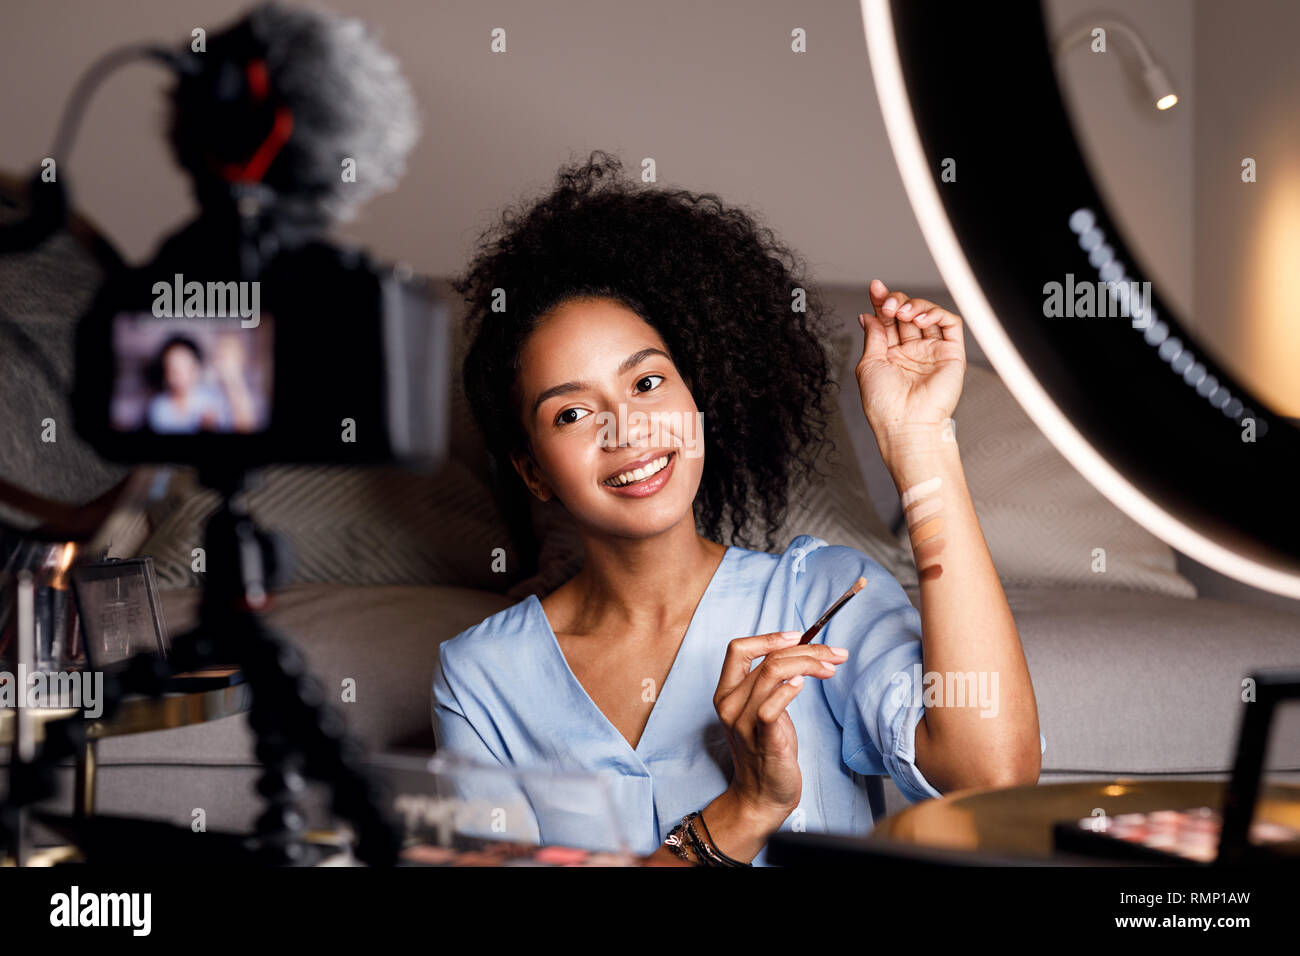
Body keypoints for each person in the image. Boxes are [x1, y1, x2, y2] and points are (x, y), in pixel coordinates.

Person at [431, 151, 1045, 866]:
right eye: (571, 414)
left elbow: (993, 774)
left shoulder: (825, 596)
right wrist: (745, 808)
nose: (626, 429)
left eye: (649, 382)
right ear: (532, 472)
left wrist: (921, 444)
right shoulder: (480, 676)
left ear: (697, 402)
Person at [145, 333, 257, 434]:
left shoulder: (213, 399)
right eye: (173, 370)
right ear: (165, 374)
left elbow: (246, 426)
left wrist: (232, 377)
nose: (180, 377)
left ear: (197, 369)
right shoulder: (158, 407)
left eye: (186, 368)